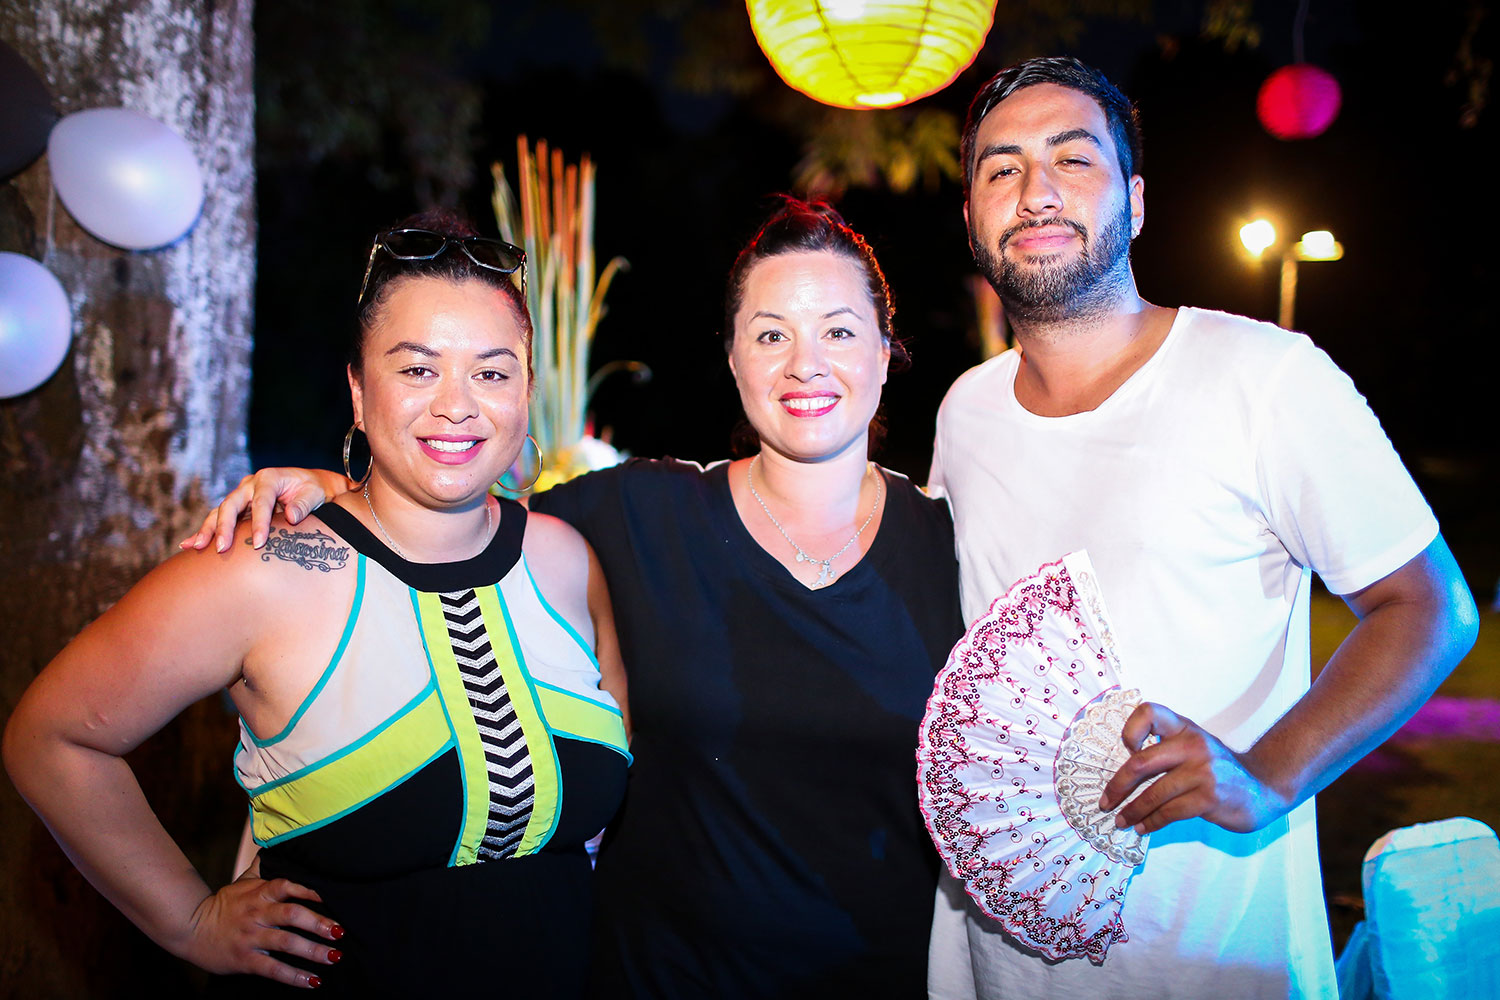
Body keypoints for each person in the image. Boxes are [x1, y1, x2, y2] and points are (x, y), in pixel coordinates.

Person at [184, 199, 964, 998]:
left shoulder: (956, 548)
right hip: (650, 980)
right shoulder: (636, 514)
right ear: (733, 358)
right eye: (771, 335)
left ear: (885, 351)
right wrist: (336, 492)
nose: (805, 364)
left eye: (839, 331)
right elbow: (448, 509)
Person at [926, 56, 1480, 998]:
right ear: (973, 217)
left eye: (1073, 159)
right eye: (1002, 169)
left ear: (1136, 202)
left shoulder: (1265, 376)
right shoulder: (964, 412)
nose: (1037, 191)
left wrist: (1269, 777)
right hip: (996, 960)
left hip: (1214, 956)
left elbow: (1430, 609)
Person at [3, 211, 631, 995]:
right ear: (359, 392)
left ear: (527, 390)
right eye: (418, 369)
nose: (457, 405)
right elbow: (53, 737)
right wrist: (189, 921)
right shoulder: (261, 568)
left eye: (493, 373)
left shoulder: (566, 560)